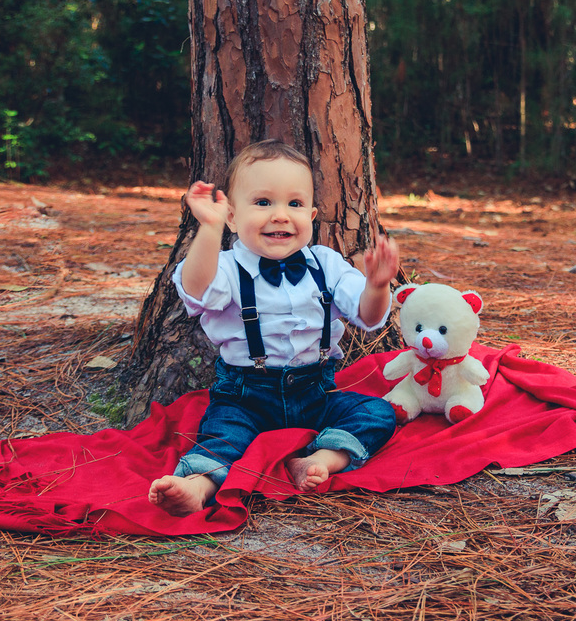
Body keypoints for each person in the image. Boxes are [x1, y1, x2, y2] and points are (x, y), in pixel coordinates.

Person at [148, 140, 400, 516]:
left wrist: (376, 287)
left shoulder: (326, 264)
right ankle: (198, 484)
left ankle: (320, 461)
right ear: (232, 216)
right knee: (224, 435)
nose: (281, 215)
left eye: (294, 204)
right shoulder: (228, 268)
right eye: (263, 203)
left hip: (316, 391)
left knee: (378, 414)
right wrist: (209, 229)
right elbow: (197, 289)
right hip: (245, 395)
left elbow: (366, 316)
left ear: (312, 216)